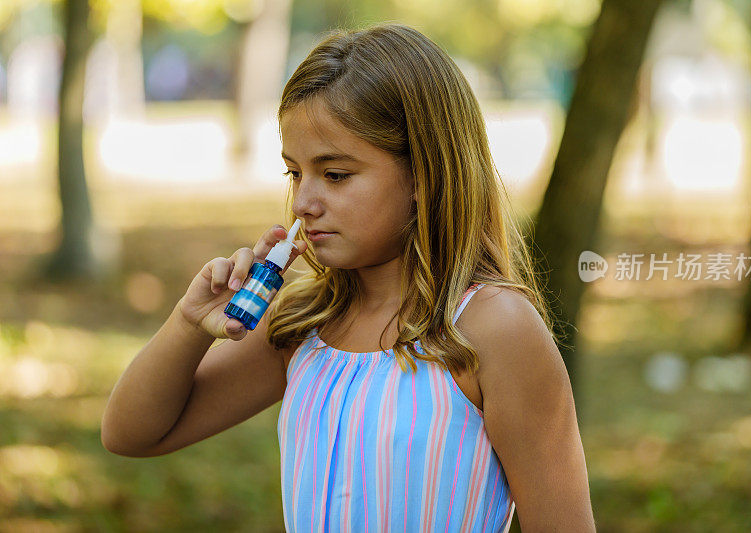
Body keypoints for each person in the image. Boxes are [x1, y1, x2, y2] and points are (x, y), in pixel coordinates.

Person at [102, 22, 595, 532]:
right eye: (295, 173)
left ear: (426, 175)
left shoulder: (493, 330)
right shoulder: (304, 327)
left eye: (335, 175)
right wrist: (187, 325)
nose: (304, 202)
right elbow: (132, 433)